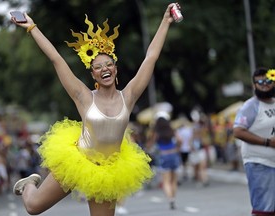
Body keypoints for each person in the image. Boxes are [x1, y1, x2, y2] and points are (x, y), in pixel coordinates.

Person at [10, 2, 181, 216]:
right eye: (98, 67)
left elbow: (151, 57)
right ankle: (28, 185)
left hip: (107, 171)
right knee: (33, 207)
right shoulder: (83, 96)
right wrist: (32, 28)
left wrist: (165, 21)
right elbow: (56, 59)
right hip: (78, 161)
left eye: (108, 64)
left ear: (116, 69)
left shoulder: (128, 96)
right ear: (93, 75)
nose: (104, 69)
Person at [233, 67, 275, 216]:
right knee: (264, 209)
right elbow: (238, 131)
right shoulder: (251, 106)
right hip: (260, 163)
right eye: (260, 82)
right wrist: (267, 142)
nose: (265, 84)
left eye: (268, 81)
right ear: (254, 86)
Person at [147, 114, 181, 210]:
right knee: (174, 180)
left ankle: (170, 199)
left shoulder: (157, 132)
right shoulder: (172, 130)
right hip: (174, 154)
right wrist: (177, 148)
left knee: (166, 181)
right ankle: (173, 198)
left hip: (163, 155)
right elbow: (179, 140)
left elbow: (150, 144)